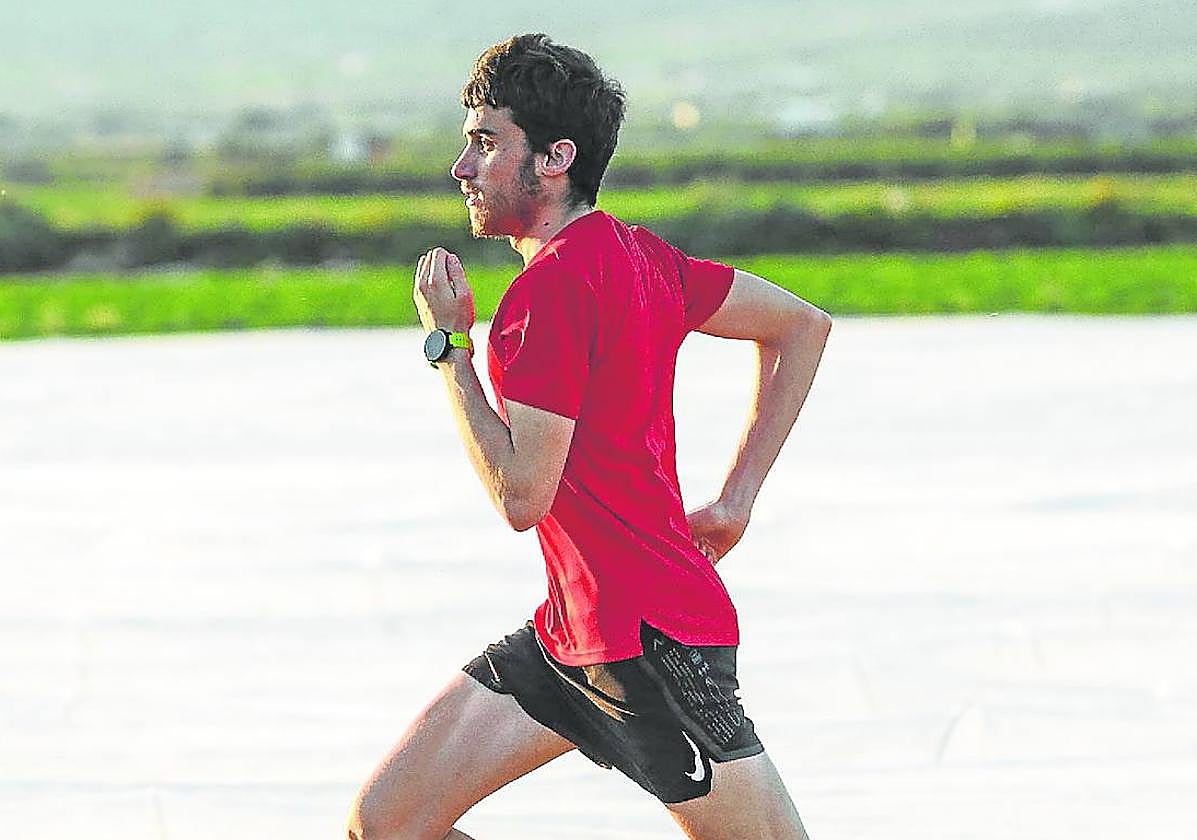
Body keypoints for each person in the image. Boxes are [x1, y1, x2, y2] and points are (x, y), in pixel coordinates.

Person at [348, 33, 831, 840]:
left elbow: (520, 497)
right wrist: (735, 502)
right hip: (569, 637)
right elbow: (800, 328)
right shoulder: (642, 258)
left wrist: (449, 349)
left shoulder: (545, 298)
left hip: (648, 643)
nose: (460, 170)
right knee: (388, 823)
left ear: (554, 157)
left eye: (484, 143)